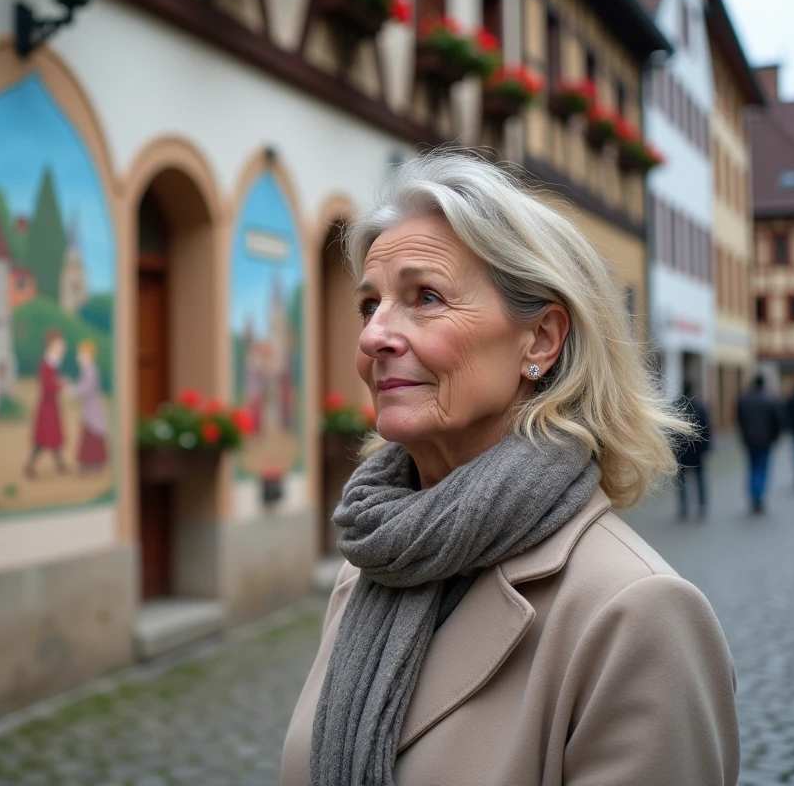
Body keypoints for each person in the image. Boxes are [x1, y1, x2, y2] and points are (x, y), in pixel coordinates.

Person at [281, 152, 737, 786]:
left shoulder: (635, 614)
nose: (373, 336)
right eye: (369, 305)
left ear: (541, 339)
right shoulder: (368, 564)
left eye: (426, 297)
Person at [736, 375, 783, 514]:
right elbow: (777, 421)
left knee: (752, 467)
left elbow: (740, 420)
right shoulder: (770, 400)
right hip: (765, 440)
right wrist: (775, 437)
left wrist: (744, 435)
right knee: (762, 468)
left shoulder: (744, 399)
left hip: (750, 440)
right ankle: (759, 496)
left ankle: (753, 494)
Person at [24, 329, 66, 478]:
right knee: (44, 438)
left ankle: (60, 464)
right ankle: (30, 466)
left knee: (52, 436)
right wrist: (60, 386)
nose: (62, 347)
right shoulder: (47, 363)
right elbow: (47, 386)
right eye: (59, 344)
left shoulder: (53, 362)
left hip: (51, 404)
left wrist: (59, 384)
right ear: (51, 344)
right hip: (47, 405)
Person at [674, 381, 711, 520]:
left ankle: (684, 507)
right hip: (697, 451)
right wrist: (706, 449)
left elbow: (672, 433)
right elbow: (706, 430)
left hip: (681, 452)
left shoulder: (676, 408)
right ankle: (701, 505)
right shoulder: (699, 407)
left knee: (682, 481)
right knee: (700, 479)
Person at [72, 339, 109, 470]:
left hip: (93, 407)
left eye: (82, 354)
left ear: (89, 355)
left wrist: (72, 391)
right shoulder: (86, 370)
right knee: (88, 433)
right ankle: (88, 462)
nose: (79, 357)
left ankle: (95, 461)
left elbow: (86, 388)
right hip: (88, 408)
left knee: (93, 433)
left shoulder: (91, 370)